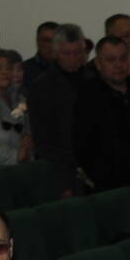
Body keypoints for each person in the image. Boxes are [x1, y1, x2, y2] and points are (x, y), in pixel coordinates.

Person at [73, 36, 130, 216]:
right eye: (111, 60)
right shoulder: (87, 96)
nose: (118, 65)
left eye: (123, 58)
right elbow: (82, 145)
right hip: (108, 188)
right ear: (98, 64)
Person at [29, 23, 93, 196]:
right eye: (66, 53)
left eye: (77, 53)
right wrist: (62, 183)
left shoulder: (93, 80)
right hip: (64, 171)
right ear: (56, 53)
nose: (72, 58)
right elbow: (43, 141)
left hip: (95, 166)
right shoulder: (42, 86)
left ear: (84, 52)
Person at [22, 21, 58, 88]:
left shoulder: (70, 69)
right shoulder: (24, 70)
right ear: (37, 41)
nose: (51, 45)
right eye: (47, 41)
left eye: (55, 40)